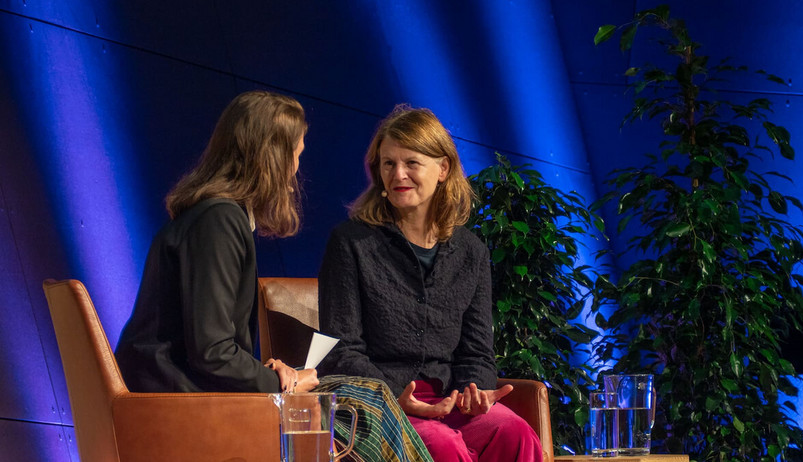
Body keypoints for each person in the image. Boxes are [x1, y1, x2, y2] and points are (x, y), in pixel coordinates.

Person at [115, 91, 430, 462]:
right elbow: (212, 352)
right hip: (179, 402)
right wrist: (287, 382)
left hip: (188, 390)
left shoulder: (215, 217)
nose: (297, 170)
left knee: (363, 402)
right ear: (273, 158)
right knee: (365, 405)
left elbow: (208, 344)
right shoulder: (219, 221)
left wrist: (272, 373)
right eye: (296, 155)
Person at [318, 105, 543, 461]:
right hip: (380, 401)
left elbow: (477, 351)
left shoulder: (470, 250)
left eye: (411, 163)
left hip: (448, 399)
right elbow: (341, 349)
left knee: (514, 432)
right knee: (441, 444)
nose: (398, 174)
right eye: (388, 163)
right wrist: (395, 395)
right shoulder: (351, 242)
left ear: (443, 169)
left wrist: (474, 390)